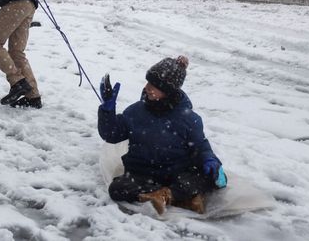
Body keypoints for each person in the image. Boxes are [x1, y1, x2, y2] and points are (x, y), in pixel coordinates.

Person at [97, 56, 227, 214]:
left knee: (208, 177)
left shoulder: (188, 119)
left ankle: (164, 195)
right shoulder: (136, 112)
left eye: (155, 86)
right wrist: (107, 110)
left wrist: (209, 159)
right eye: (148, 82)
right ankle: (181, 197)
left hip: (176, 173)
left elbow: (200, 145)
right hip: (142, 174)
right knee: (117, 189)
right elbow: (112, 134)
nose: (147, 87)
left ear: (169, 91)